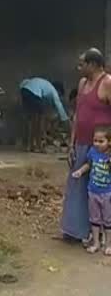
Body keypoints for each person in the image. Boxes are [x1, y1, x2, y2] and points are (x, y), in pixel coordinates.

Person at [62, 48, 111, 243]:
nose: (79, 67)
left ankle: (98, 234)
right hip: (81, 144)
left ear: (93, 65)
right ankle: (76, 230)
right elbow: (77, 115)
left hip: (101, 148)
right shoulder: (82, 83)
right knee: (77, 185)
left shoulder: (107, 82)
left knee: (99, 189)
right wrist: (71, 143)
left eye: (82, 64)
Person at [71, 125, 111, 254]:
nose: (97, 144)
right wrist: (80, 171)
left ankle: (108, 245)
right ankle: (96, 243)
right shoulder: (93, 152)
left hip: (107, 194)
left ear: (109, 142)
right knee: (94, 219)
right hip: (93, 192)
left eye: (101, 141)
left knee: (108, 220)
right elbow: (89, 164)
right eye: (95, 141)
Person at [19, 77, 70, 152]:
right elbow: (60, 107)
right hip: (34, 94)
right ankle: (39, 147)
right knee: (39, 121)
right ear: (58, 91)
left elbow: (24, 83)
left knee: (32, 122)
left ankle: (30, 146)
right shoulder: (53, 91)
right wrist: (67, 122)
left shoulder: (45, 86)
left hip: (24, 91)